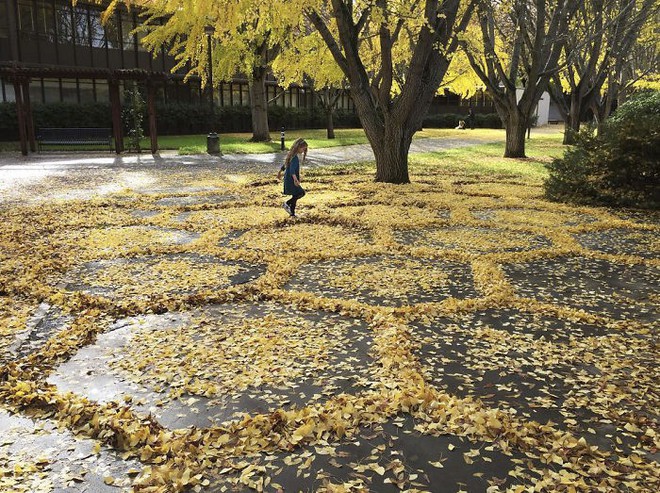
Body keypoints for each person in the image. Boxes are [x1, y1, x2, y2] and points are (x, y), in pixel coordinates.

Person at [277, 138, 308, 217]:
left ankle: (292, 213)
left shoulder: (291, 155)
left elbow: (285, 165)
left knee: (295, 195)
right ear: (298, 147)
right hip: (291, 179)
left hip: (288, 178)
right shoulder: (294, 158)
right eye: (303, 149)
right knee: (301, 193)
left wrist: (279, 172)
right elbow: (292, 170)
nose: (303, 151)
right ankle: (286, 203)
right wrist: (295, 180)